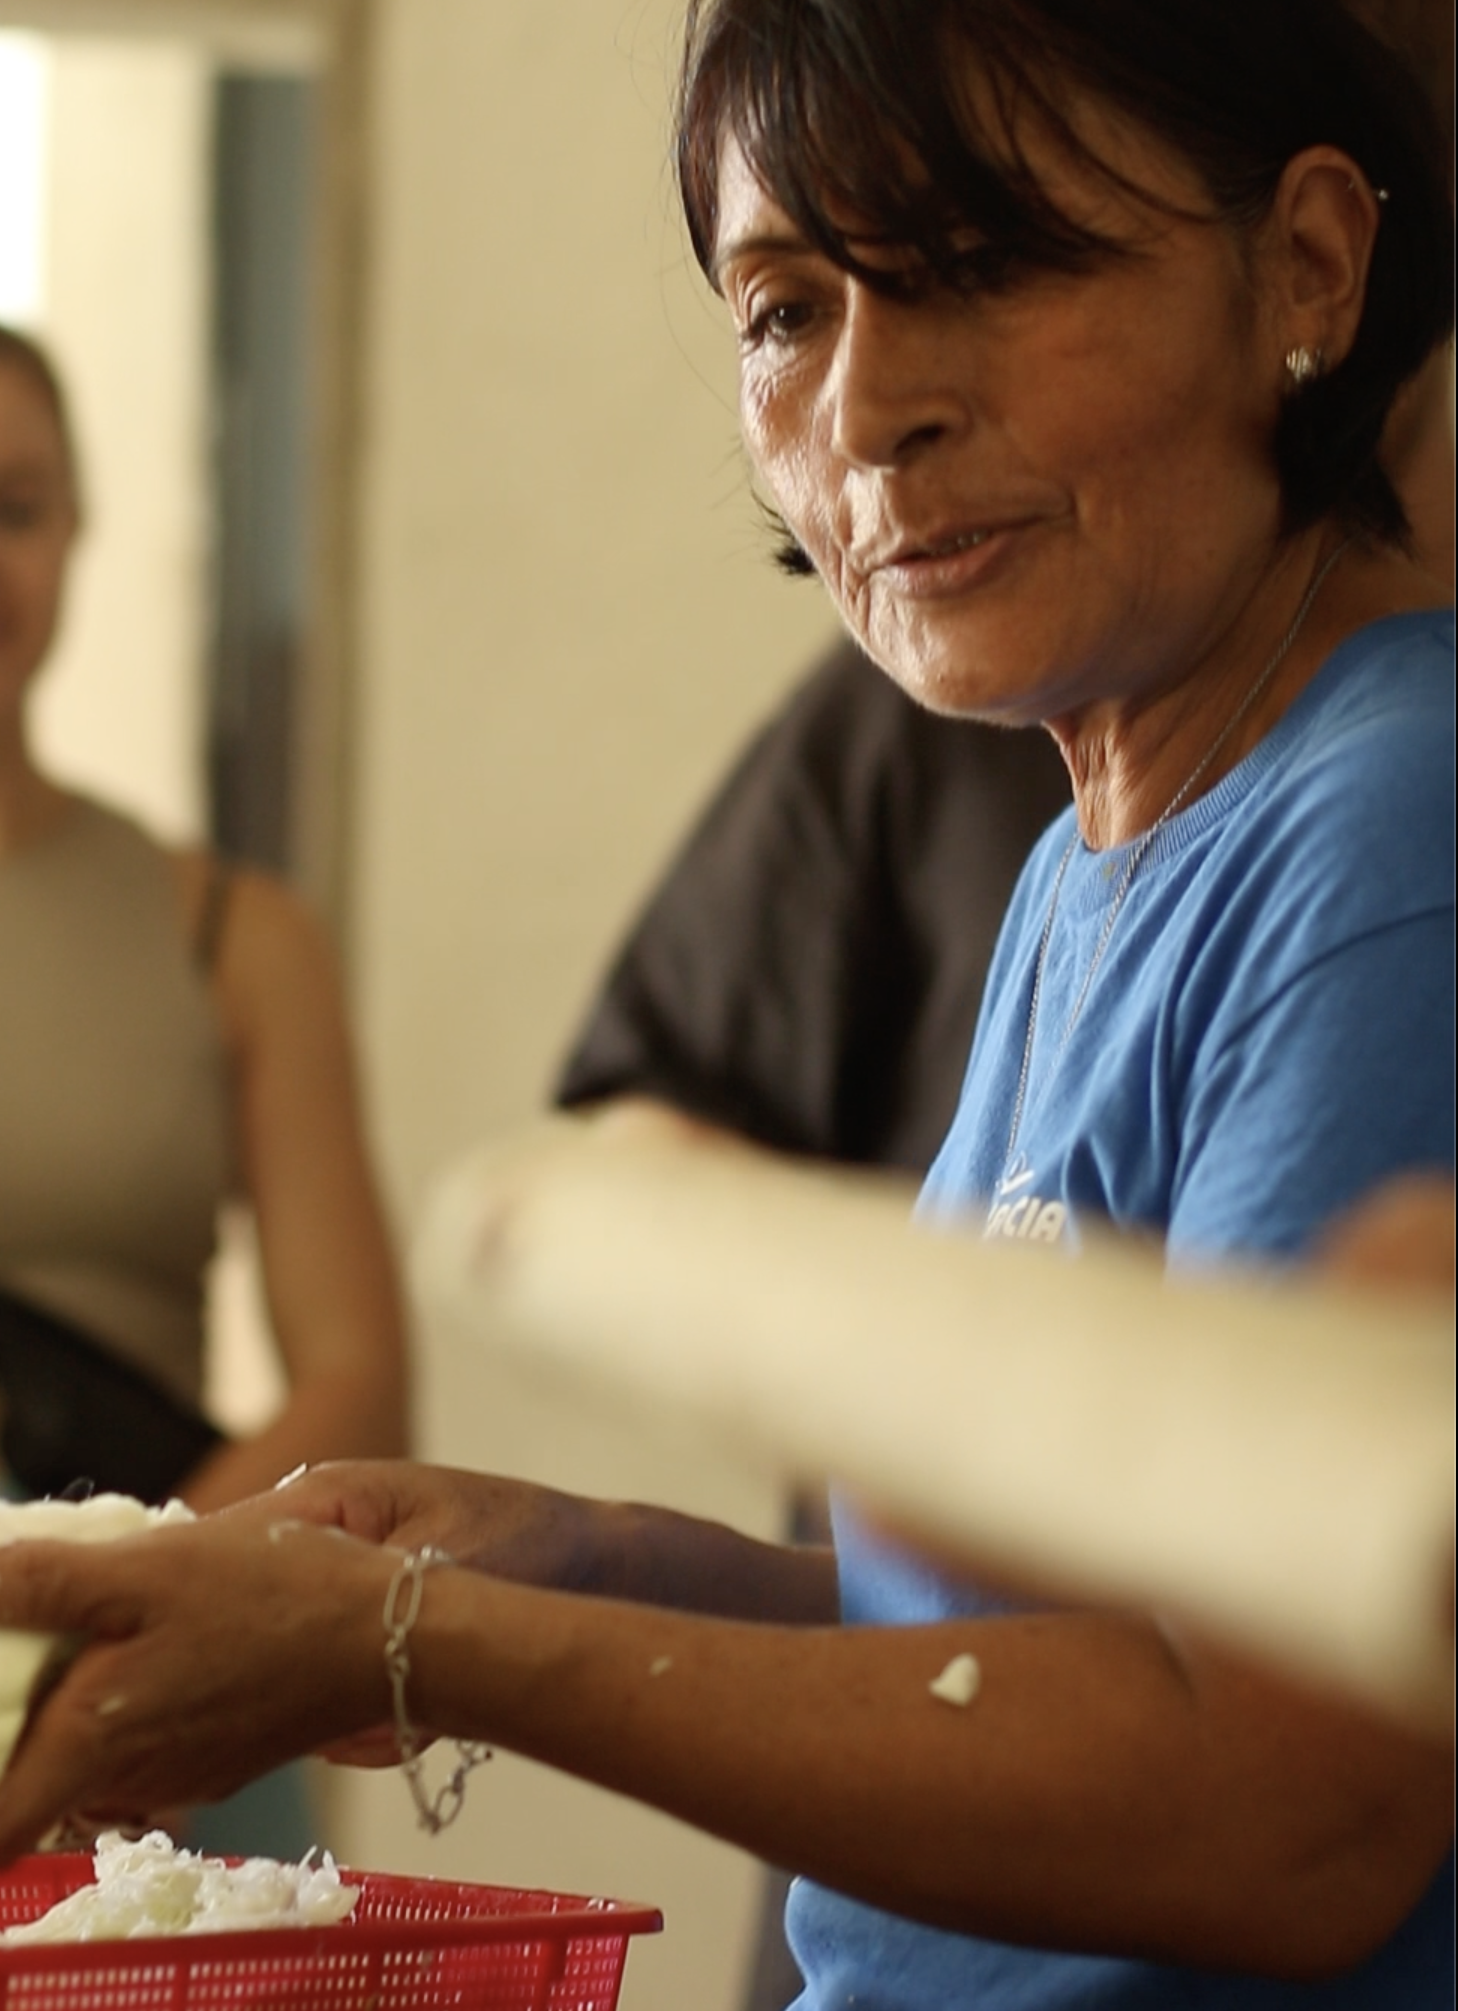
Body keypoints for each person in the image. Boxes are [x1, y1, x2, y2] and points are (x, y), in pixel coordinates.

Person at [0, 5, 1452, 2008]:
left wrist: (428, 1644)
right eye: (786, 310)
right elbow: (1012, 1638)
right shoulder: (1090, 859)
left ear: (1303, 266)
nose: (868, 408)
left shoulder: (1390, 836)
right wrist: (571, 1556)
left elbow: (1283, 1803)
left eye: (983, 259)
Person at [0, 325, 411, 1850]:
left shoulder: (237, 937)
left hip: (149, 1703)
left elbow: (357, 1379)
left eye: (15, 508)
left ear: (76, 533)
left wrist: (105, 1614)